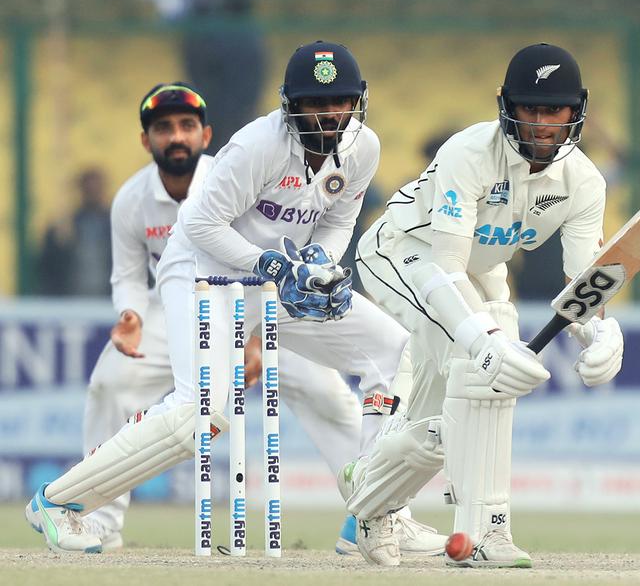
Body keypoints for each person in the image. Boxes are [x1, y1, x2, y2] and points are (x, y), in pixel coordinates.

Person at [25, 42, 444, 559]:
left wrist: (320, 266)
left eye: (339, 101)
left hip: (280, 276)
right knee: (201, 414)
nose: (329, 113)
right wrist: (265, 263)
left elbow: (338, 221)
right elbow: (199, 224)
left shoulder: (365, 148)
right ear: (290, 104)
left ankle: (375, 515)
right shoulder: (257, 146)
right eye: (315, 102)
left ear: (357, 100)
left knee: (397, 350)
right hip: (204, 269)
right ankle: (58, 502)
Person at [349, 43, 623, 568]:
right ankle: (482, 534)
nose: (541, 124)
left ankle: (371, 493)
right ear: (507, 106)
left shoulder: (585, 183)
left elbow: (582, 286)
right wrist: (485, 341)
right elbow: (442, 267)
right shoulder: (468, 153)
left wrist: (602, 336)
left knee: (437, 417)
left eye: (554, 110)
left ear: (576, 111)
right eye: (530, 109)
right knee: (482, 363)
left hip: (479, 270)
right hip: (404, 251)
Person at [64, 82, 364, 553]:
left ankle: (371, 513)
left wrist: (259, 335)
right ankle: (98, 521)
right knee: (110, 384)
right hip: (175, 309)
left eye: (186, 126)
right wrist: (130, 314)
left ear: (206, 136)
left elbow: (268, 247)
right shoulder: (130, 199)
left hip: (258, 298)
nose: (176, 137)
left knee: (328, 392)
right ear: (146, 141)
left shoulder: (232, 170)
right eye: (163, 128)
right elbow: (127, 274)